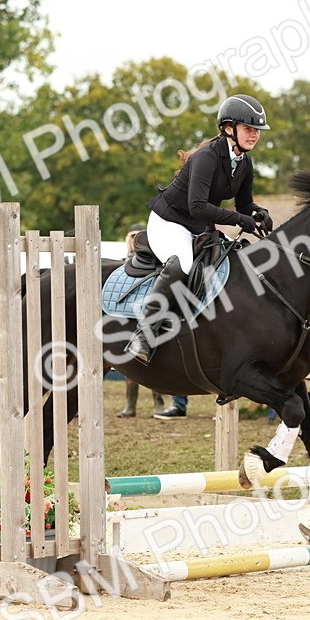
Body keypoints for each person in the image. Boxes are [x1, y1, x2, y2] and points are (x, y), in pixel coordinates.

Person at [125, 94, 272, 364]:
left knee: (236, 256)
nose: (254, 135)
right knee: (182, 262)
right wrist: (240, 220)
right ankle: (143, 334)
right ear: (229, 128)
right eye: (248, 129)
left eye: (257, 131)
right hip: (170, 220)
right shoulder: (207, 157)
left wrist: (257, 213)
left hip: (198, 224)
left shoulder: (245, 163)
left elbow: (244, 204)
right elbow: (197, 206)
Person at [117, 224, 166, 418]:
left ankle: (159, 403)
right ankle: (130, 405)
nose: (134, 239)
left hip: (149, 314)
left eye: (138, 236)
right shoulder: (120, 264)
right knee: (129, 365)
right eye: (131, 236)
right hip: (127, 317)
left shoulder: (155, 262)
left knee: (153, 359)